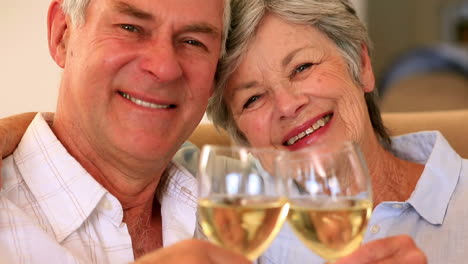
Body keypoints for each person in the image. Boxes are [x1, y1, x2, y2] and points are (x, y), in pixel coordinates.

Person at [0, 0, 426, 263]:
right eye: (130, 27)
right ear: (61, 34)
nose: (164, 67)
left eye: (193, 41)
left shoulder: (240, 205)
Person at [206, 0, 468, 263]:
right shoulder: (237, 233)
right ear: (241, 135)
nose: (287, 105)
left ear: (362, 64)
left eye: (302, 67)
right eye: (253, 98)